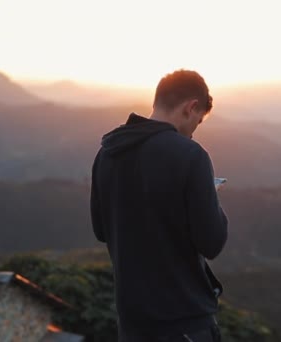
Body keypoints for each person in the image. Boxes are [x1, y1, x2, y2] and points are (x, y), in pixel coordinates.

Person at [90, 69, 228, 342]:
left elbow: (101, 230)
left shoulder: (107, 153)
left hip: (133, 325)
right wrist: (209, 195)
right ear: (191, 108)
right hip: (183, 322)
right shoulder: (191, 156)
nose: (192, 133)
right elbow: (212, 242)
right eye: (198, 122)